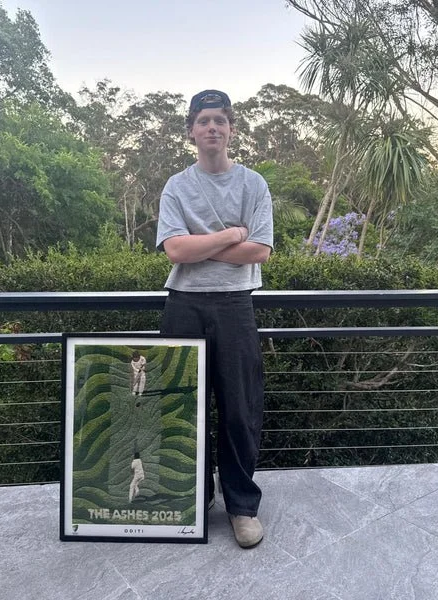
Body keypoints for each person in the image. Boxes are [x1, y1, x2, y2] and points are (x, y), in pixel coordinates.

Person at [156, 89, 273, 548]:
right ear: (191, 131)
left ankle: (242, 507)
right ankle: (190, 500)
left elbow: (260, 250)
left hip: (235, 305)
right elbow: (174, 250)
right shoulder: (176, 185)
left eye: (219, 120)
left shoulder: (254, 185)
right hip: (183, 304)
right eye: (203, 120)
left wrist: (199, 244)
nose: (211, 128)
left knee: (240, 411)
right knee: (180, 408)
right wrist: (229, 236)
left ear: (230, 130)